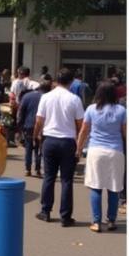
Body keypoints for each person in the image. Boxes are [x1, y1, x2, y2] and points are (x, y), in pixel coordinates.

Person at [33, 67, 84, 226]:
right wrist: (79, 146)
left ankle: (45, 211)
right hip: (68, 141)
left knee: (49, 177)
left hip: (49, 140)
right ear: (71, 81)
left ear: (56, 80)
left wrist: (36, 136)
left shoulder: (46, 97)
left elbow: (39, 120)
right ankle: (65, 216)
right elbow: (80, 124)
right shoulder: (74, 99)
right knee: (66, 180)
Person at [77, 80, 126, 232]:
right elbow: (126, 133)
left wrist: (78, 149)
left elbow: (84, 131)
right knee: (114, 188)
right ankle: (111, 220)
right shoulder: (121, 110)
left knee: (96, 187)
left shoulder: (91, 109)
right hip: (115, 151)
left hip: (96, 151)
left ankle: (96, 222)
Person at [18, 78, 50, 177]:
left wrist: (20, 126)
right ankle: (38, 170)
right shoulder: (48, 98)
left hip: (28, 125)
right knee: (39, 149)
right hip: (43, 126)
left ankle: (27, 169)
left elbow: (21, 112)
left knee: (28, 147)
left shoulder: (27, 96)